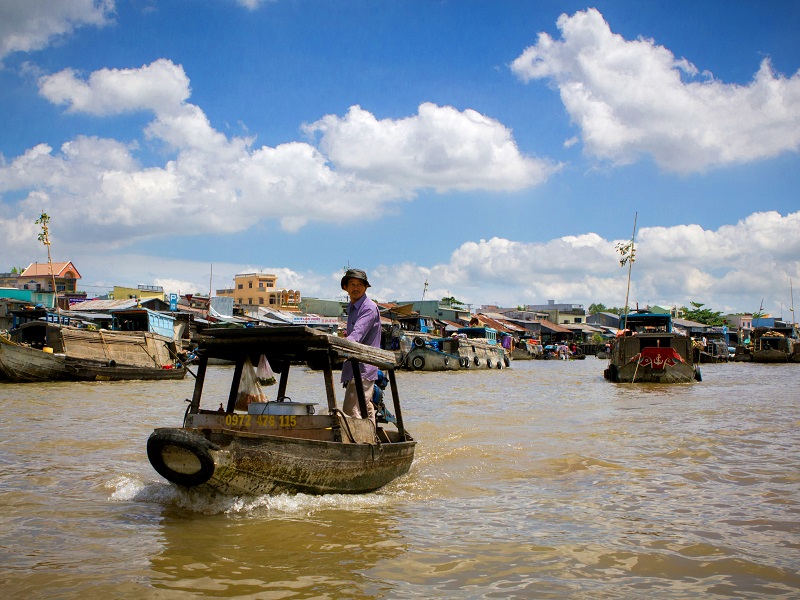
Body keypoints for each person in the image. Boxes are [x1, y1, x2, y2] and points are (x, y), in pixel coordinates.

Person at [340, 268, 380, 424]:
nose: (355, 288)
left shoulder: (368, 308)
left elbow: (355, 336)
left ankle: (358, 443)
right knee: (365, 407)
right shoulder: (352, 307)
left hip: (363, 368)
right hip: (355, 366)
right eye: (352, 284)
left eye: (359, 285)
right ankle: (371, 437)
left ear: (365, 287)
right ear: (346, 287)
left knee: (350, 411)